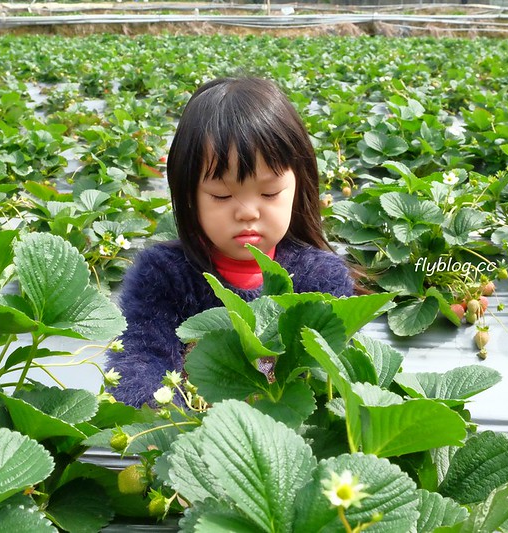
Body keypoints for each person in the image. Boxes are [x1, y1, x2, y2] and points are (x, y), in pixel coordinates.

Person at [107, 77, 356, 408]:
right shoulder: (164, 276)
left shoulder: (321, 279)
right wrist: (168, 418)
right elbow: (138, 359)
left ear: (300, 185)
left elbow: (333, 376)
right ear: (189, 195)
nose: (248, 212)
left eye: (269, 193)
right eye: (222, 195)